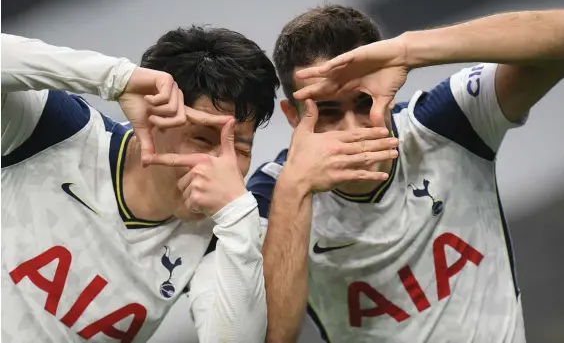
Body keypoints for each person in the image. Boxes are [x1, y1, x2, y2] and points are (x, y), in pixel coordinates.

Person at [1, 27, 396, 343]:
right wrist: (116, 79)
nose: (223, 166)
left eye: (241, 147)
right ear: (153, 120)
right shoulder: (54, 131)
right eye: (204, 139)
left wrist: (239, 220)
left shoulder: (224, 231)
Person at [249, 5, 564, 343]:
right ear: (292, 116)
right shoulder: (273, 194)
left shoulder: (448, 123)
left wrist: (408, 50)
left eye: (363, 102)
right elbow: (274, 337)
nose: (353, 129)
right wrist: (295, 189)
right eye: (327, 113)